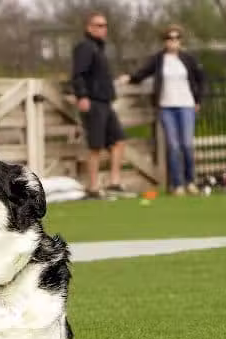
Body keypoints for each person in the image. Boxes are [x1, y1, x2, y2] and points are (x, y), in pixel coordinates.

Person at [125, 24, 206, 196]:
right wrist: (130, 78)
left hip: (186, 105)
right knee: (173, 146)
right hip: (166, 107)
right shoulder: (158, 59)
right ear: (164, 41)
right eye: (170, 38)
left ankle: (190, 181)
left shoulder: (188, 59)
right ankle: (177, 185)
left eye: (177, 38)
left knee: (186, 144)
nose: (173, 41)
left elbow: (201, 79)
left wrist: (198, 100)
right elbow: (143, 73)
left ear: (181, 41)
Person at [70, 12, 126, 199]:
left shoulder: (100, 48)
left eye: (105, 25)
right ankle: (93, 187)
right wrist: (82, 96)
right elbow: (78, 74)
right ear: (89, 27)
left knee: (118, 141)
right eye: (98, 25)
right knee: (95, 146)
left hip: (106, 102)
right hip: (92, 102)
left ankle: (114, 182)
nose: (103, 28)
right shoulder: (85, 47)